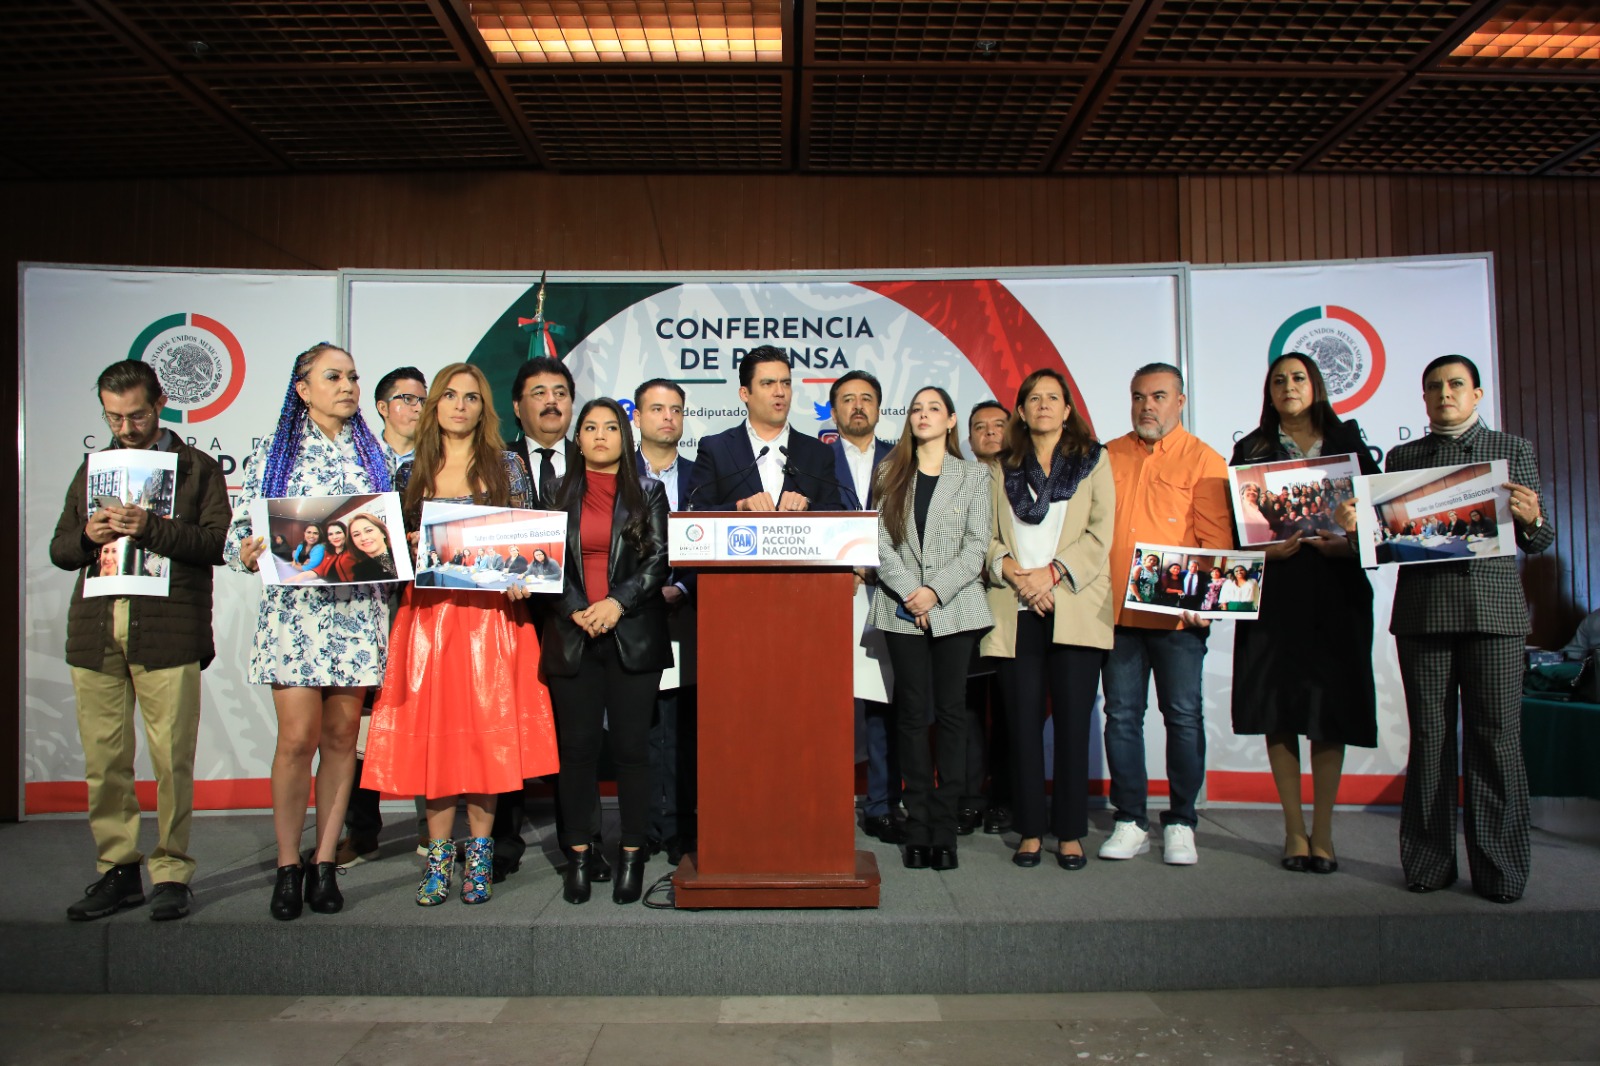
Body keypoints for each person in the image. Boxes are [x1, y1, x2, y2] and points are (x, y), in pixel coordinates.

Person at [1338, 354, 1554, 904]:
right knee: (1431, 739)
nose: (1445, 393)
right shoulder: (1404, 458)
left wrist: (1532, 518)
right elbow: (1386, 547)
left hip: (1494, 616)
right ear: (1424, 397)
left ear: (1477, 394)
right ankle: (1428, 864)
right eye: (1434, 386)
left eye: (1456, 384)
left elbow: (1539, 541)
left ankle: (1500, 872)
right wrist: (1359, 530)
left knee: (1496, 740)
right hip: (1424, 614)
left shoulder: (1512, 449)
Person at [361, 363, 558, 906]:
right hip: (428, 620)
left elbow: (529, 543)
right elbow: (389, 551)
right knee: (437, 737)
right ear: (434, 405)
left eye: (471, 397)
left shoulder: (508, 465)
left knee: (487, 739)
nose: (460, 405)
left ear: (483, 408)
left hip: (491, 620)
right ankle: (438, 859)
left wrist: (523, 578)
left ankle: (480, 857)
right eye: (449, 395)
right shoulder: (409, 470)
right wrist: (402, 544)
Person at [50, 360, 228, 923]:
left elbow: (215, 544)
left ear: (160, 403)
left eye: (137, 415)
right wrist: (88, 535)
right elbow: (60, 550)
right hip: (97, 629)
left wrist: (148, 526)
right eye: (113, 417)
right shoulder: (93, 469)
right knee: (105, 760)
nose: (125, 428)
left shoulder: (197, 468)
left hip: (168, 630)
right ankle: (118, 869)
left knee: (172, 759)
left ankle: (171, 870)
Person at [227, 342, 394, 921]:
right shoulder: (273, 455)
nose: (347, 386)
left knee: (343, 739)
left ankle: (324, 861)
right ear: (302, 389)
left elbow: (388, 536)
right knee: (297, 740)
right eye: (333, 377)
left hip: (356, 615)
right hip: (295, 617)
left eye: (353, 376)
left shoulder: (375, 455)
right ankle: (286, 865)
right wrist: (248, 551)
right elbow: (236, 538)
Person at [1230, 351, 1380, 875]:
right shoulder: (1251, 450)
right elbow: (1236, 532)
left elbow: (1383, 524)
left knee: (1330, 708)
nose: (1289, 387)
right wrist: (1265, 553)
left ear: (1315, 385)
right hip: (1277, 592)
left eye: (1298, 378)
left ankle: (1325, 833)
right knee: (1279, 709)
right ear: (1268, 393)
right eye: (1279, 380)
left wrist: (1352, 542)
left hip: (1338, 590)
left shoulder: (1349, 445)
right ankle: (1294, 830)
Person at [523, 398, 671, 905]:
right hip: (572, 636)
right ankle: (580, 857)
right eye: (591, 427)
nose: (601, 435)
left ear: (624, 438)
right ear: (578, 439)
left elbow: (658, 561)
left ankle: (631, 853)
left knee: (631, 752)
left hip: (632, 636)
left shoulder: (649, 491)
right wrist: (575, 609)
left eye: (611, 427)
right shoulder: (554, 493)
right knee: (577, 753)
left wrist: (616, 603)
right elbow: (542, 561)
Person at [980, 368, 1115, 870]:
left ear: (1066, 409)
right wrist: (1019, 578)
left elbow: (1100, 533)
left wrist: (1052, 575)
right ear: (1020, 410)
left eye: (1052, 398)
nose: (1042, 405)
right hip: (1016, 607)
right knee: (1021, 725)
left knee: (1074, 724)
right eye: (1033, 398)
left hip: (1072, 603)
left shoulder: (1094, 460)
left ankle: (1071, 831)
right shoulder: (1000, 466)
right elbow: (985, 536)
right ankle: (1031, 829)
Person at [1099, 362, 1232, 866]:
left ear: (1180, 401)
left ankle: (1181, 821)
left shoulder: (1205, 460)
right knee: (1121, 717)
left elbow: (1216, 542)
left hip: (1179, 621)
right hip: (1116, 614)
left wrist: (1205, 604)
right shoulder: (1108, 455)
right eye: (1138, 397)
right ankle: (1130, 819)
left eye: (1158, 396)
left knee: (1183, 717)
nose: (1146, 406)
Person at [868, 386, 992, 870]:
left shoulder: (974, 475)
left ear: (951, 420)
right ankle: (918, 825)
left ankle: (945, 826)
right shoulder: (889, 471)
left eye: (933, 409)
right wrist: (911, 592)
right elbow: (879, 541)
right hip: (901, 607)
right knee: (912, 716)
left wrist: (935, 592)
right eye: (916, 409)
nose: (923, 415)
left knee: (952, 714)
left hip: (955, 605)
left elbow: (977, 545)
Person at [825, 370, 903, 845]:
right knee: (827, 705)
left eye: (866, 398)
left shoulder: (903, 458)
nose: (857, 406)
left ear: (878, 407)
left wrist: (876, 567)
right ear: (834, 409)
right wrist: (844, 566)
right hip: (832, 596)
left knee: (882, 704)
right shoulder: (812, 459)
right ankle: (825, 801)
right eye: (848, 399)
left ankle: (881, 805)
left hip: (888, 594)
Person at [633, 378, 700, 864]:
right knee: (641, 725)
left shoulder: (702, 476)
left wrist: (684, 587)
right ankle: (643, 827)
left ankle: (679, 826)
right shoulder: (615, 474)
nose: (667, 418)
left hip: (688, 613)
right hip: (633, 614)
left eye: (675, 409)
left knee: (682, 726)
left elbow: (718, 542)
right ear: (636, 417)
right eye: (657, 409)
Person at [687, 345, 843, 512]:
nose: (780, 392)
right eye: (768, 383)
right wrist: (739, 507)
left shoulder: (818, 452)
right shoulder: (716, 449)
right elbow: (692, 511)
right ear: (745, 394)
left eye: (786, 383)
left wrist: (808, 507)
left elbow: (837, 512)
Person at [965, 399, 1013, 835]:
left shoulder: (1028, 481)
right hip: (964, 609)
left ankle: (1004, 798)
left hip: (1012, 609)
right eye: (980, 427)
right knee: (967, 710)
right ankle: (970, 798)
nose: (990, 432)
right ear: (968, 437)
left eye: (998, 425)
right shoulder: (958, 479)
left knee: (1011, 708)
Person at [510, 356, 578, 508]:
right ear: (517, 407)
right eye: (540, 393)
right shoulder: (496, 461)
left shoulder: (588, 461)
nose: (552, 400)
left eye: (560, 394)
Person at [373, 365, 426, 471]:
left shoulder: (438, 460)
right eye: (408, 399)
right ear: (383, 408)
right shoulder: (359, 457)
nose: (420, 408)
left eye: (423, 402)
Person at [285, 520, 353, 583]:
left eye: (338, 533)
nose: (334, 537)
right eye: (330, 534)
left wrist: (296, 565)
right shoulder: (328, 553)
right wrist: (302, 575)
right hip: (326, 587)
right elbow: (319, 569)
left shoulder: (353, 552)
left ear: (346, 534)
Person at [346, 512, 399, 581]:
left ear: (383, 532)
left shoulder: (405, 552)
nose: (363, 538)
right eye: (356, 535)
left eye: (369, 530)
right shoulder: (360, 572)